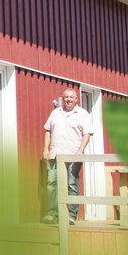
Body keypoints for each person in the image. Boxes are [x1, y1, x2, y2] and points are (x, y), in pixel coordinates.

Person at [42, 88, 93, 224]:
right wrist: (45, 149)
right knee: (52, 184)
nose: (68, 99)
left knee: (72, 184)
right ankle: (52, 214)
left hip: (73, 155)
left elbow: (87, 134)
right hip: (55, 154)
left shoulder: (83, 114)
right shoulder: (55, 113)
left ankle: (71, 216)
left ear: (76, 99)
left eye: (71, 97)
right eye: (66, 97)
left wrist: (80, 151)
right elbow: (48, 130)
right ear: (63, 99)